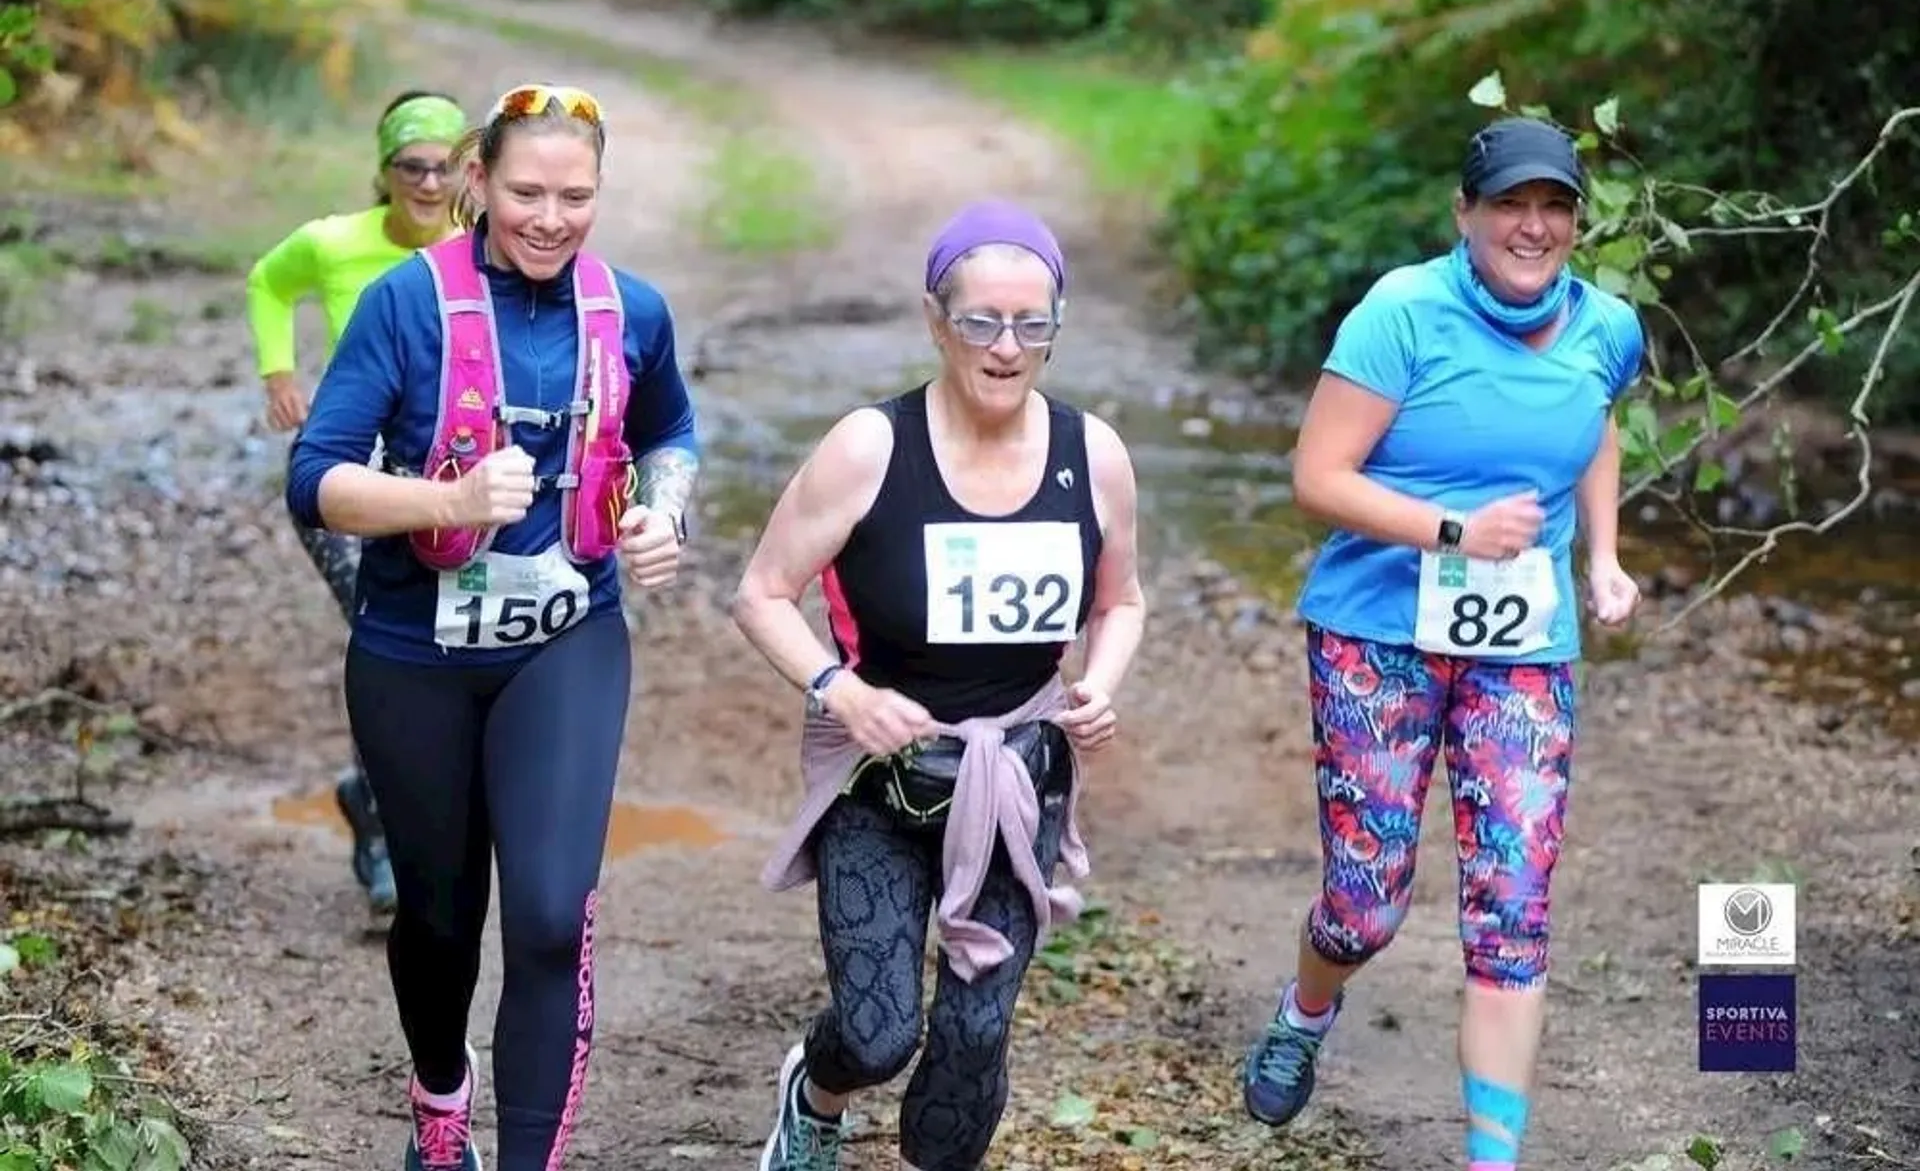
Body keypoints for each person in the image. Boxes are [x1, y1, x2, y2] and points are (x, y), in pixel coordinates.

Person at [285, 81, 701, 1171]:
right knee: (438, 915)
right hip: (413, 652)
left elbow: (671, 435)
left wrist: (661, 512)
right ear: (478, 182)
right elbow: (315, 478)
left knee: (553, 914)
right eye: (526, 192)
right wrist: (447, 502)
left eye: (576, 196)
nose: (550, 218)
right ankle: (438, 1103)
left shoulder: (634, 311)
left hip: (568, 638)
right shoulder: (405, 304)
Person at [1237, 116, 1645, 1170]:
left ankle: (1491, 1159)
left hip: (1524, 647)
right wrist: (1451, 529)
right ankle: (1308, 1003)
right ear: (1464, 214)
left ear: (1576, 223)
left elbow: (1594, 425)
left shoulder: (1608, 326)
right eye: (1510, 203)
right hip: (1378, 632)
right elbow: (1316, 477)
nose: (1534, 224)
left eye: (1555, 206)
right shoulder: (1401, 314)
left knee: (1513, 906)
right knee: (1366, 901)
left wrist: (1601, 555)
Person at [731, 199, 1148, 1171]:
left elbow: (1121, 600)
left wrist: (1099, 681)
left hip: (1016, 778)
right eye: (981, 321)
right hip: (882, 784)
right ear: (935, 319)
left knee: (972, 1037)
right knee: (880, 1034)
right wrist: (839, 688)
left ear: (1055, 326)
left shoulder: (1094, 456)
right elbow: (760, 591)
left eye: (1031, 323)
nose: (1006, 347)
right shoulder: (870, 448)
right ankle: (818, 1092)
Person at [246, 88, 471, 917]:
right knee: (389, 638)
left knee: (433, 645)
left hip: (443, 485)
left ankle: (380, 796)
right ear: (384, 171)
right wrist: (278, 373)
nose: (426, 180)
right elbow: (268, 283)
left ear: (468, 171)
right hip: (345, 479)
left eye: (444, 166)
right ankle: (384, 823)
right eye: (411, 165)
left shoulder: (481, 250)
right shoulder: (332, 243)